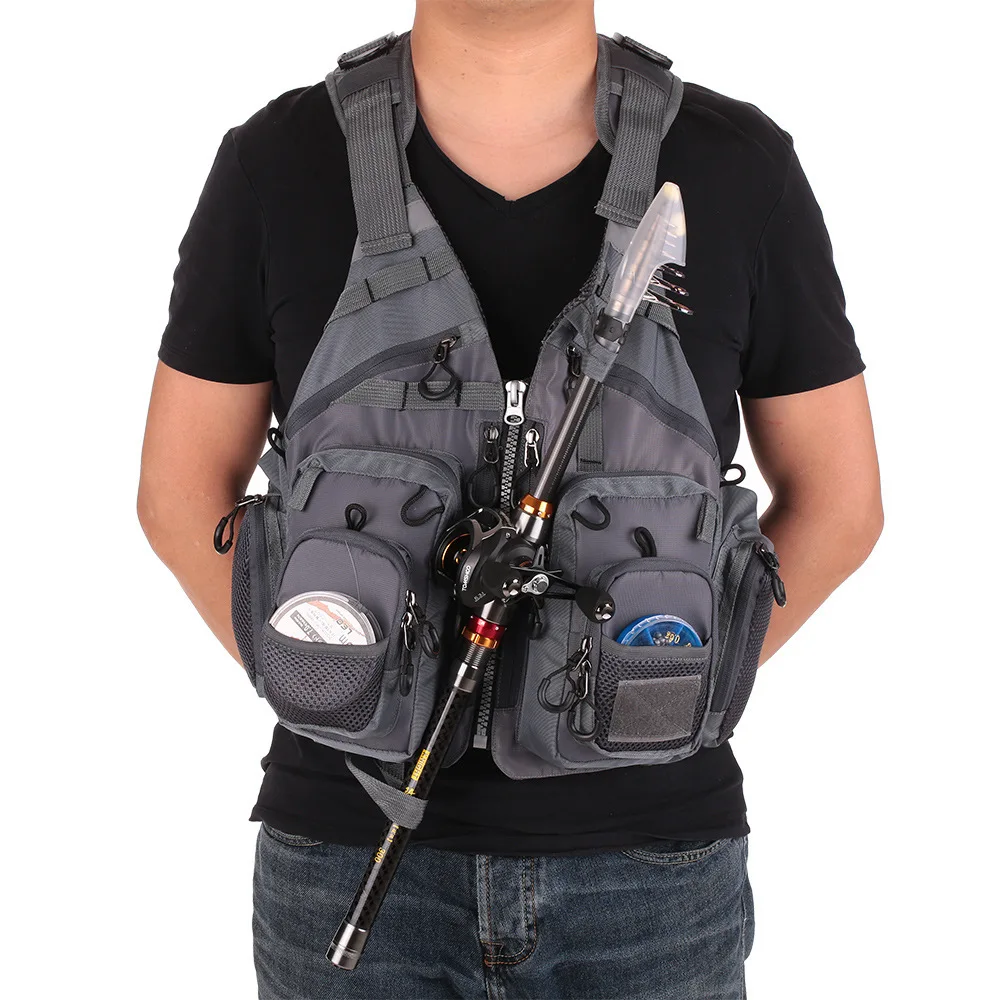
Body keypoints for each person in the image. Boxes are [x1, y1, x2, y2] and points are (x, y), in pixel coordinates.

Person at [138, 1, 883, 997]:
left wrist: (672, 687)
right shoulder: (277, 164)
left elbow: (840, 501)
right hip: (344, 846)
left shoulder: (736, 167)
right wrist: (329, 681)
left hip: (652, 875)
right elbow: (178, 489)